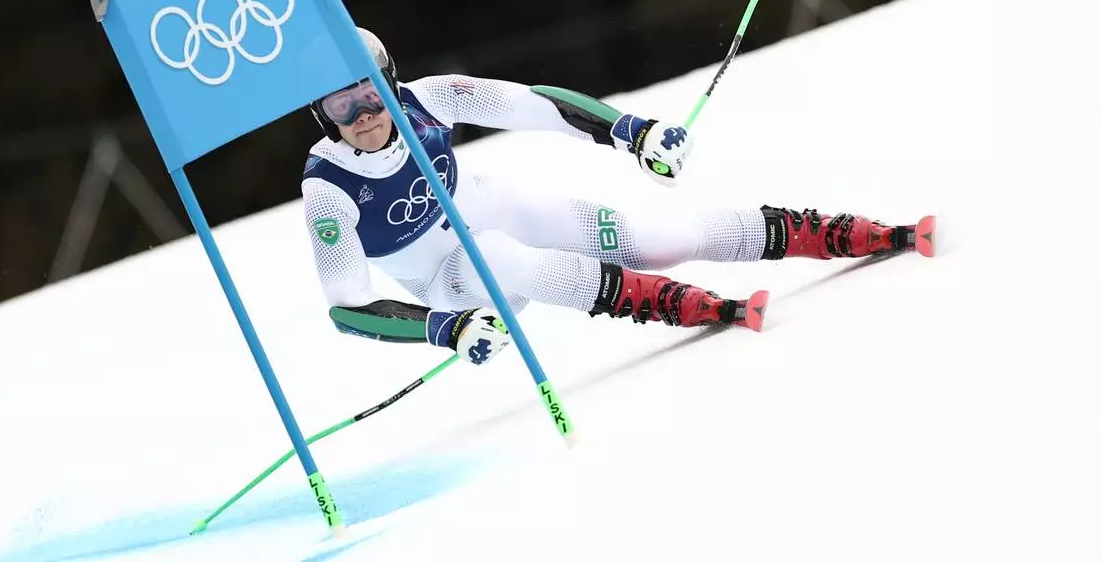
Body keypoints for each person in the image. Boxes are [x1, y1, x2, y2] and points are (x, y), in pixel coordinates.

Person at [302, 28, 931, 367]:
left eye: (366, 93)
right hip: (454, 286)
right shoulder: (327, 188)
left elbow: (535, 102)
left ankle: (844, 233)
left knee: (659, 239)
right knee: (492, 254)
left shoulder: (427, 96)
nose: (360, 114)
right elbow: (347, 304)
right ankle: (678, 306)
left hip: (495, 206)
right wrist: (444, 327)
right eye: (340, 104)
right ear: (321, 114)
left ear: (387, 79)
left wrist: (632, 133)